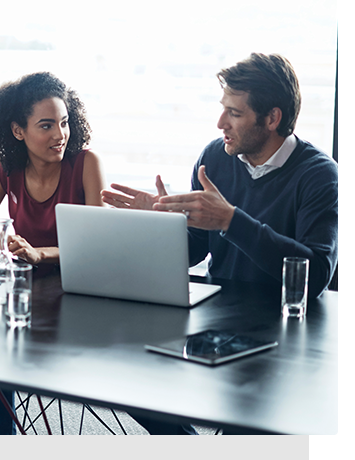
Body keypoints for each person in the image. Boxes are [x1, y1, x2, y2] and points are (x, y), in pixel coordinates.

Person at [102, 52, 338, 434]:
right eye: (222, 108)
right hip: (217, 316)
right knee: (130, 378)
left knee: (241, 417)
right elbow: (197, 247)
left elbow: (316, 274)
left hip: (280, 329)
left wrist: (230, 220)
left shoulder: (319, 175)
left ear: (272, 118)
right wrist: (162, 224)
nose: (220, 123)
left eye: (234, 113)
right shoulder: (215, 156)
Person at [0, 71, 106, 434]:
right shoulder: (9, 169)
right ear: (18, 131)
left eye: (64, 123)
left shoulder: (86, 164)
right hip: (26, 293)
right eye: (46, 126)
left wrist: (39, 254)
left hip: (76, 293)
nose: (59, 135)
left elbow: (95, 246)